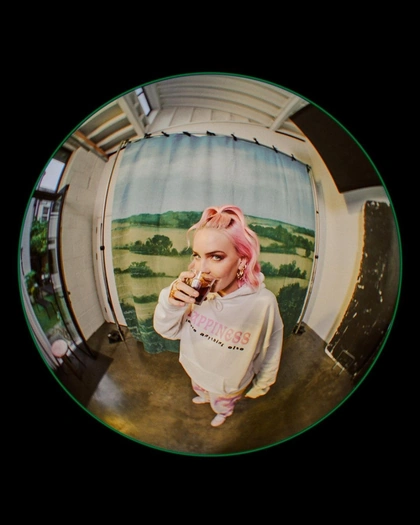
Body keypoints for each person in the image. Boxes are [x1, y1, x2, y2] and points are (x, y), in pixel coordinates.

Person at [153, 205, 284, 427]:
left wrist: (262, 385)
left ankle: (222, 413)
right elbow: (168, 332)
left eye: (216, 257)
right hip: (194, 370)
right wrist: (171, 303)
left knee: (222, 405)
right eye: (197, 256)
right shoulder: (193, 292)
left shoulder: (263, 303)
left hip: (228, 385)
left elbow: (271, 348)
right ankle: (204, 396)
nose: (201, 269)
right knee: (201, 390)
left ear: (242, 260)